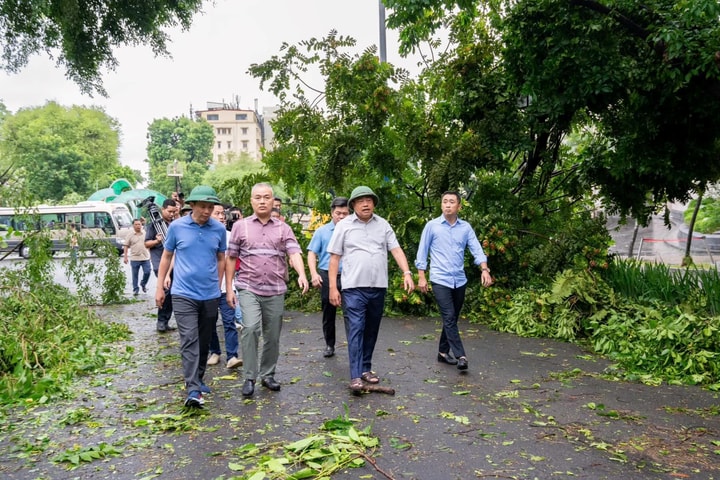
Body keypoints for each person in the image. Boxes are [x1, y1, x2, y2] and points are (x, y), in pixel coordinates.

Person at [328, 186, 415, 393]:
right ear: (353, 205)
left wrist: (407, 273)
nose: (365, 204)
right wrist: (333, 287)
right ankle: (356, 376)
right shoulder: (344, 226)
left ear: (374, 203)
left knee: (371, 330)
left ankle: (366, 368)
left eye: (368, 200)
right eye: (360, 201)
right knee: (356, 328)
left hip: (378, 287)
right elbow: (334, 258)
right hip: (353, 288)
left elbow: (395, 249)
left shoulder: (383, 225)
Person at [226, 183, 309, 397]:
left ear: (273, 201)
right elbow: (231, 258)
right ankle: (249, 377)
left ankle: (268, 374)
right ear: (251, 201)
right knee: (251, 328)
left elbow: (294, 253)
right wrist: (228, 288)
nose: (262, 201)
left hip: (275, 289)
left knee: (272, 335)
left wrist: (301, 274)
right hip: (248, 288)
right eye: (257, 197)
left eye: (266, 197)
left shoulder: (283, 228)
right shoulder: (240, 226)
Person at [155, 185, 227, 408]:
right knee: (189, 339)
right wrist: (160, 288)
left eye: (210, 207)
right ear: (192, 206)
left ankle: (199, 378)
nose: (207, 211)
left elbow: (221, 259)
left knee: (205, 340)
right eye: (203, 206)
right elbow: (166, 257)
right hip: (183, 293)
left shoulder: (218, 230)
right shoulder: (177, 227)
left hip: (210, 294)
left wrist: (219, 283)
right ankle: (193, 388)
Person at [415, 191, 493, 372]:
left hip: (459, 280)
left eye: (452, 202)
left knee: (452, 318)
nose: (448, 205)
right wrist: (421, 276)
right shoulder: (432, 226)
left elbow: (477, 249)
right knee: (449, 316)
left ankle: (442, 352)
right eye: (444, 202)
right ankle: (461, 355)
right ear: (441, 205)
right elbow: (422, 251)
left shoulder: (465, 228)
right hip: (439, 279)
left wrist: (484, 269)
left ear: (459, 206)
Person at [307, 197, 350, 358]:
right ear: (332, 213)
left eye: (344, 214)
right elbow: (312, 253)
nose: (341, 216)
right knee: (328, 313)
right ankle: (329, 345)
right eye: (338, 213)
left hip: (349, 276)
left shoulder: (353, 231)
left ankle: (353, 346)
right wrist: (313, 274)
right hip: (326, 275)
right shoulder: (322, 231)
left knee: (351, 312)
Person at [207, 203, 242, 369]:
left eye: (222, 213)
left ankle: (232, 356)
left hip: (227, 287)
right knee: (210, 322)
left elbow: (233, 261)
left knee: (229, 321)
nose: (221, 217)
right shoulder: (203, 234)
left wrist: (230, 286)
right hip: (207, 288)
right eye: (217, 213)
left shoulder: (230, 236)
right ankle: (214, 351)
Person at [145, 198, 178, 332]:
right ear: (163, 210)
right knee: (166, 291)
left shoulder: (175, 225)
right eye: (169, 211)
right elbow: (146, 244)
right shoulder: (153, 225)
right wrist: (157, 240)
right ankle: (161, 321)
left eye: (174, 212)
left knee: (172, 293)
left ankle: (166, 321)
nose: (172, 214)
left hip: (175, 263)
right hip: (160, 262)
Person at [123, 219, 151, 296]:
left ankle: (143, 283)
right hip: (134, 258)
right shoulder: (130, 235)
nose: (138, 226)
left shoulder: (145, 233)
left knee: (147, 272)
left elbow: (149, 244)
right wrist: (125, 257)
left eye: (139, 224)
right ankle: (135, 289)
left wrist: (151, 254)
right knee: (135, 275)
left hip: (145, 257)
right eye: (136, 224)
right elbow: (125, 246)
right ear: (133, 225)